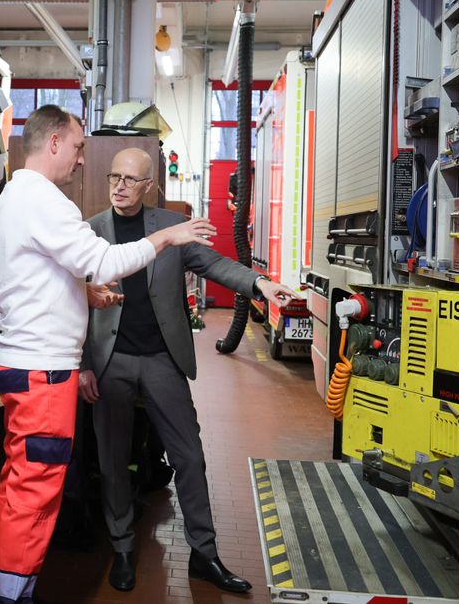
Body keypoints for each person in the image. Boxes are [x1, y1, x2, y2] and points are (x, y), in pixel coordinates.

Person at [0, 105, 217, 604]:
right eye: (77, 147)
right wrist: (168, 235)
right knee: (36, 490)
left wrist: (84, 296)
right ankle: (8, 595)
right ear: (52, 144)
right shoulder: (47, 201)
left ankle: (0, 578)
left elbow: (36, 276)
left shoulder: (14, 197)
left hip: (21, 362)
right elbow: (105, 259)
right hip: (43, 371)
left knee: (18, 479)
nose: (82, 160)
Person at [79, 147, 299, 593]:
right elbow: (73, 300)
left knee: (190, 457)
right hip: (111, 360)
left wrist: (259, 283)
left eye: (130, 179)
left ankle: (204, 553)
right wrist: (83, 365)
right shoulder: (91, 231)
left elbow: (214, 262)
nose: (119, 186)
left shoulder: (169, 228)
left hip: (162, 357)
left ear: (148, 186)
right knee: (113, 458)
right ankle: (122, 546)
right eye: (114, 177)